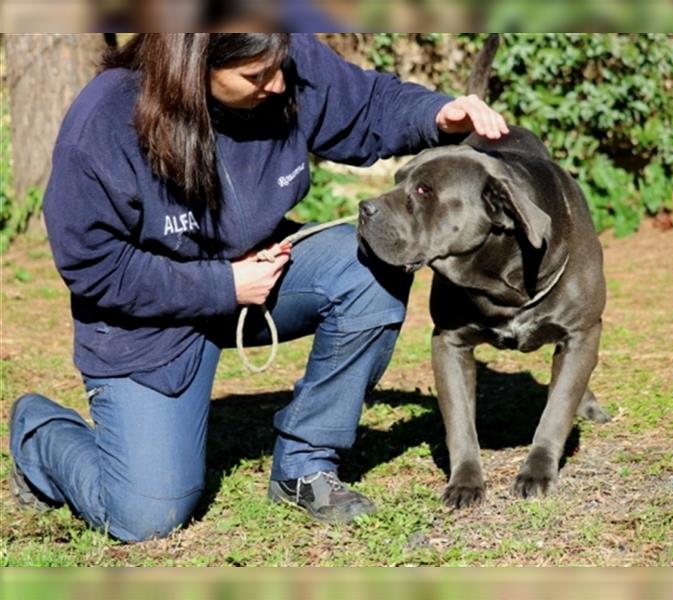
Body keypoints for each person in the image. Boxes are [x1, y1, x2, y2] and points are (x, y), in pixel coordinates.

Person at [8, 33, 508, 542]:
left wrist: (438, 114)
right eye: (254, 77)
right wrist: (223, 285)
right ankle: (37, 431)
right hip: (148, 321)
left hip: (260, 273)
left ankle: (303, 465)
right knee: (145, 515)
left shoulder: (279, 59)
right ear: (193, 61)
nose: (277, 84)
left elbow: (367, 105)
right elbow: (97, 268)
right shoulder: (105, 121)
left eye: (279, 67)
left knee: (372, 264)